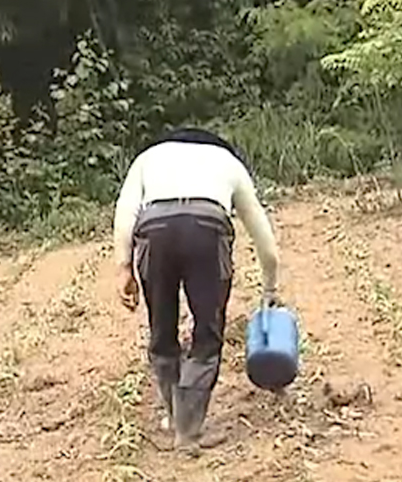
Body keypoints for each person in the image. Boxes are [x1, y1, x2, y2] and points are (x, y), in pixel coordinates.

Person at [111, 126, 280, 451]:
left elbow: (125, 213)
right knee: (207, 330)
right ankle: (188, 432)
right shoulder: (227, 161)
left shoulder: (148, 158)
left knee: (161, 329)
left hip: (154, 230)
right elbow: (264, 239)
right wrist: (270, 291)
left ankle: (175, 417)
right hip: (207, 228)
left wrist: (123, 268)